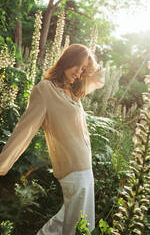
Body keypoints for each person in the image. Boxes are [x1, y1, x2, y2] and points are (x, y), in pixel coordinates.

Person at [0, 44, 105, 234]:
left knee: (63, 223)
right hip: (73, 170)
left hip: (85, 169)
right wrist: (2, 164)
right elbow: (24, 129)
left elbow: (99, 78)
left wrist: (88, 58)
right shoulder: (45, 90)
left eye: (83, 70)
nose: (79, 73)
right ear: (67, 60)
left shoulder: (73, 92)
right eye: (77, 66)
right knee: (81, 227)